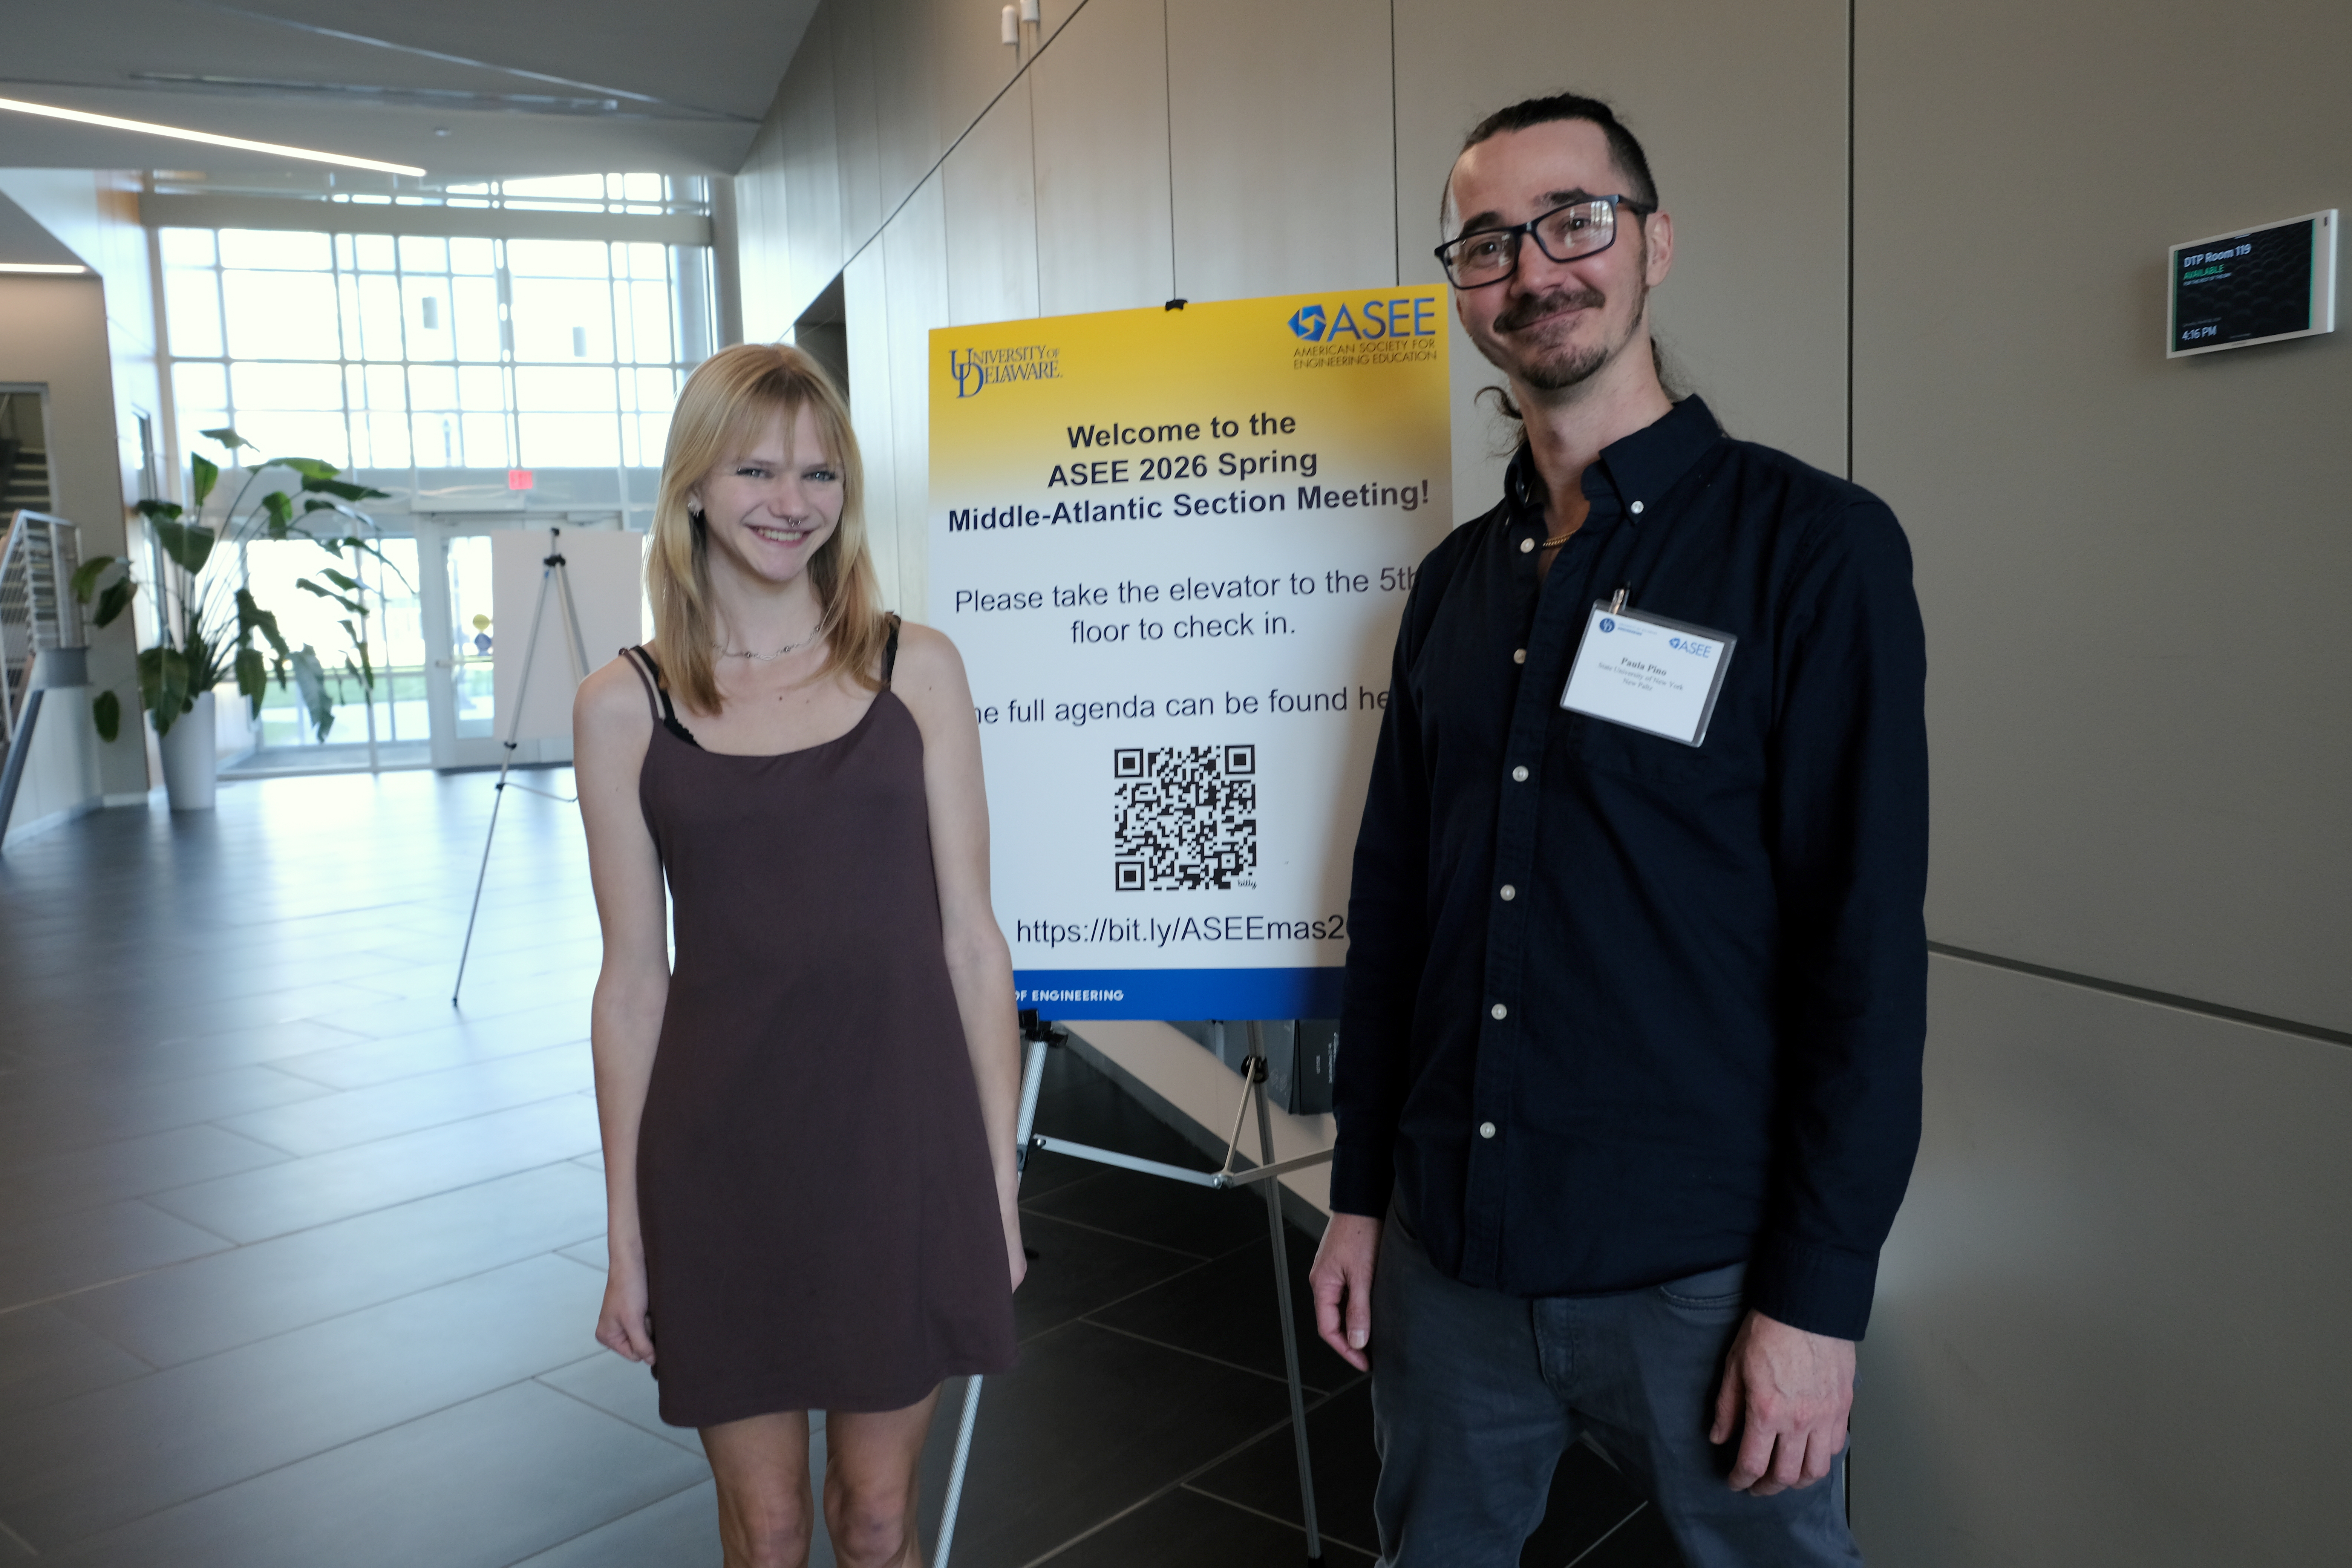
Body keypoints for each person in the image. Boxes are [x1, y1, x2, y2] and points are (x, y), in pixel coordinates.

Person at [1306, 92, 1928, 1566]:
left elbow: (1864, 954)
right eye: (1486, 242)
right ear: (1461, 288)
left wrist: (1818, 1295)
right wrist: (1358, 1197)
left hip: (1704, 1275)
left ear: (1654, 245)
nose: (1533, 268)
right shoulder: (1456, 586)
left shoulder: (1814, 549)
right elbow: (1394, 905)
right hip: (1452, 1260)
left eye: (1573, 221)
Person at [574, 342, 1024, 1568]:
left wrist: (999, 1180)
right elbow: (630, 984)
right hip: (720, 1161)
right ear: (696, 488)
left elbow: (974, 946)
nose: (792, 500)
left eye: (821, 474)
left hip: (901, 1143)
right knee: (766, 1534)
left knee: (875, 1522)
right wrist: (626, 1230)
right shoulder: (625, 704)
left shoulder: (914, 668)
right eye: (759, 468)